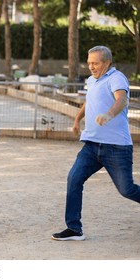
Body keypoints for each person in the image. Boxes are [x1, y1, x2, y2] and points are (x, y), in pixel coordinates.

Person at [52, 45, 140, 241]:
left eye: (95, 63)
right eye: (89, 63)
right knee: (74, 179)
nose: (91, 67)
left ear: (107, 63)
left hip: (116, 147)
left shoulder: (116, 78)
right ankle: (74, 229)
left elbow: (122, 100)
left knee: (127, 190)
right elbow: (88, 101)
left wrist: (109, 114)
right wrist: (77, 119)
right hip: (91, 145)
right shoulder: (92, 80)